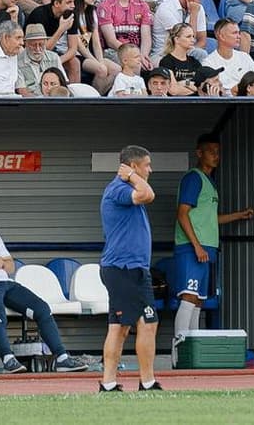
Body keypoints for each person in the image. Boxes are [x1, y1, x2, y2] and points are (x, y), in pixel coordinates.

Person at [0, 185, 92, 373]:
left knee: (42, 308)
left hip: (5, 283)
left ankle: (61, 358)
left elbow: (10, 265)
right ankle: (8, 359)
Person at [172, 134, 254, 342]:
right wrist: (197, 246)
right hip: (192, 249)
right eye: (211, 152)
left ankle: (192, 346)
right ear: (199, 153)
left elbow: (209, 219)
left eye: (218, 152)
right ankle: (179, 346)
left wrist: (239, 215)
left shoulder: (210, 182)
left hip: (207, 249)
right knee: (189, 296)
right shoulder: (194, 178)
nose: (216, 156)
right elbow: (182, 213)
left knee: (199, 300)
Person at [98, 144, 161, 393]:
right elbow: (148, 195)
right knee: (144, 322)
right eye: (146, 165)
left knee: (122, 326)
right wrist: (132, 176)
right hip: (122, 268)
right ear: (133, 166)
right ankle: (145, 382)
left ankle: (110, 383)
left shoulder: (128, 187)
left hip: (131, 268)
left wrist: (133, 177)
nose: (150, 170)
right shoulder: (119, 189)